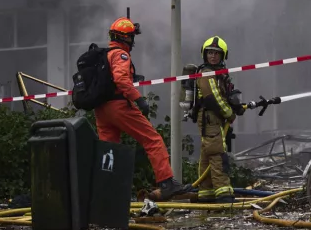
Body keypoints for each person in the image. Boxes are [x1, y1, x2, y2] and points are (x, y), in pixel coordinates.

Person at [94, 17, 189, 200]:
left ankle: (107, 193)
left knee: (109, 151)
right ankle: (166, 183)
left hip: (101, 110)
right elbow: (121, 79)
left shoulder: (103, 56)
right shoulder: (120, 55)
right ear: (125, 38)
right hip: (119, 107)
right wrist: (139, 99)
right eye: (131, 36)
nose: (132, 41)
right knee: (152, 140)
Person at [192, 36, 241, 204]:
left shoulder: (219, 74)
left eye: (216, 53)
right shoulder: (207, 73)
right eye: (210, 53)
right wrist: (229, 113)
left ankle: (206, 192)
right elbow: (212, 98)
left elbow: (223, 95)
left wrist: (236, 105)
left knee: (208, 153)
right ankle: (223, 192)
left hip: (212, 118)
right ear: (204, 54)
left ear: (223, 55)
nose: (212, 56)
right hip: (210, 117)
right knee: (217, 153)